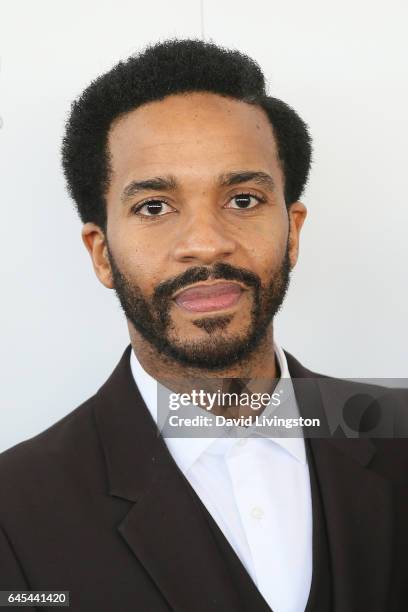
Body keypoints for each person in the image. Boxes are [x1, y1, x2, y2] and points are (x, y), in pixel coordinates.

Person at [0, 38, 407, 612]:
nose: (206, 243)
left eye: (243, 199)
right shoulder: (15, 509)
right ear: (100, 252)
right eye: (154, 207)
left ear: (293, 231)